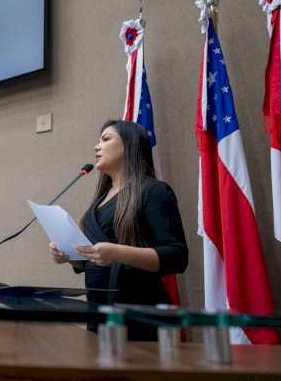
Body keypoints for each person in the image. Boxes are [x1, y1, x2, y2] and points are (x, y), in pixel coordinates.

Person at [49, 120, 188, 340]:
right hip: (100, 315)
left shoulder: (153, 190)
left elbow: (177, 257)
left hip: (140, 317)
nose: (96, 147)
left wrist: (117, 253)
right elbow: (98, 258)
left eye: (105, 139)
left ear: (129, 145)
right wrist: (72, 257)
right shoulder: (100, 200)